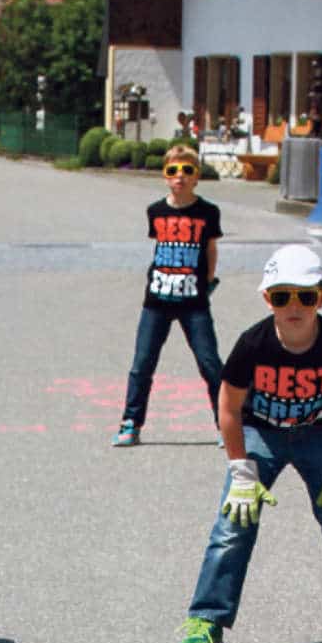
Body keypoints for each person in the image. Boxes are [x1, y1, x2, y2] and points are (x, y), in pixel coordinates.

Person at [173, 240, 322, 643]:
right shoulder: (253, 344)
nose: (293, 306)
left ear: (321, 297)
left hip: (318, 434)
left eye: (305, 296)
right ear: (267, 298)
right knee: (234, 522)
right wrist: (241, 470)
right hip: (260, 434)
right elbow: (227, 406)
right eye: (282, 296)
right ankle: (206, 621)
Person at [113, 144, 222, 448]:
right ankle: (130, 423)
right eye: (173, 171)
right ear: (165, 176)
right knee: (142, 363)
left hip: (194, 301)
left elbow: (211, 250)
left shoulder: (208, 212)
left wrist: (209, 282)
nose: (180, 177)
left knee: (210, 362)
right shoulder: (156, 211)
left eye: (187, 170)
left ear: (197, 176)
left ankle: (226, 423)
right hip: (157, 300)